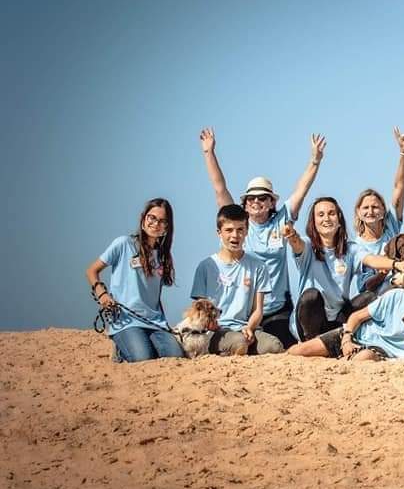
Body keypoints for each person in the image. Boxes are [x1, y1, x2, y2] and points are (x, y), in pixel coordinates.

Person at [199, 128, 325, 347]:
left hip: (277, 308)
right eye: (251, 198)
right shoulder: (239, 224)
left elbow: (302, 190)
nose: (256, 201)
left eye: (262, 197)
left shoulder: (281, 220)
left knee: (280, 348)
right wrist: (209, 153)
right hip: (244, 310)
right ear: (245, 204)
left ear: (271, 202)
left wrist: (314, 161)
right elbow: (220, 189)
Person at [284, 197, 404, 356]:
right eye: (321, 215)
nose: (326, 218)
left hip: (338, 319)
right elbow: (296, 243)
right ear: (314, 222)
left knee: (368, 297)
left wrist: (396, 264)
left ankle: (347, 339)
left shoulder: (351, 248)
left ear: (339, 219)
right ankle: (311, 345)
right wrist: (292, 235)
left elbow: (371, 260)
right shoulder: (308, 246)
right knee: (311, 296)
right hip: (310, 319)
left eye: (331, 213)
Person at [86, 198, 184, 362]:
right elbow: (91, 271)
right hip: (125, 320)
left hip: (154, 322)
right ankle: (120, 350)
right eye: (152, 217)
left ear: (167, 227)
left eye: (162, 221)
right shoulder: (124, 244)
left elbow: (154, 296)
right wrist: (102, 295)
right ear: (143, 218)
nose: (156, 224)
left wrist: (165, 324)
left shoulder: (163, 256)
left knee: (176, 356)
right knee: (143, 358)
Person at [190, 204, 283, 355]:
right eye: (229, 230)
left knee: (274, 346)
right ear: (219, 233)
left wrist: (250, 327)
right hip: (216, 332)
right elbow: (199, 309)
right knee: (239, 342)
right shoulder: (205, 266)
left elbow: (258, 310)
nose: (235, 235)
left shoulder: (258, 267)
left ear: (247, 231)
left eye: (240, 229)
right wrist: (212, 325)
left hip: (246, 328)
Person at [352, 127, 404, 293]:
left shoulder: (391, 226)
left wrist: (403, 153)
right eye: (365, 208)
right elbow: (366, 287)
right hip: (373, 298)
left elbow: (399, 187)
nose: (370, 211)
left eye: (375, 207)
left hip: (400, 290)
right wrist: (384, 271)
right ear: (358, 213)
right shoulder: (356, 246)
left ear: (384, 211)